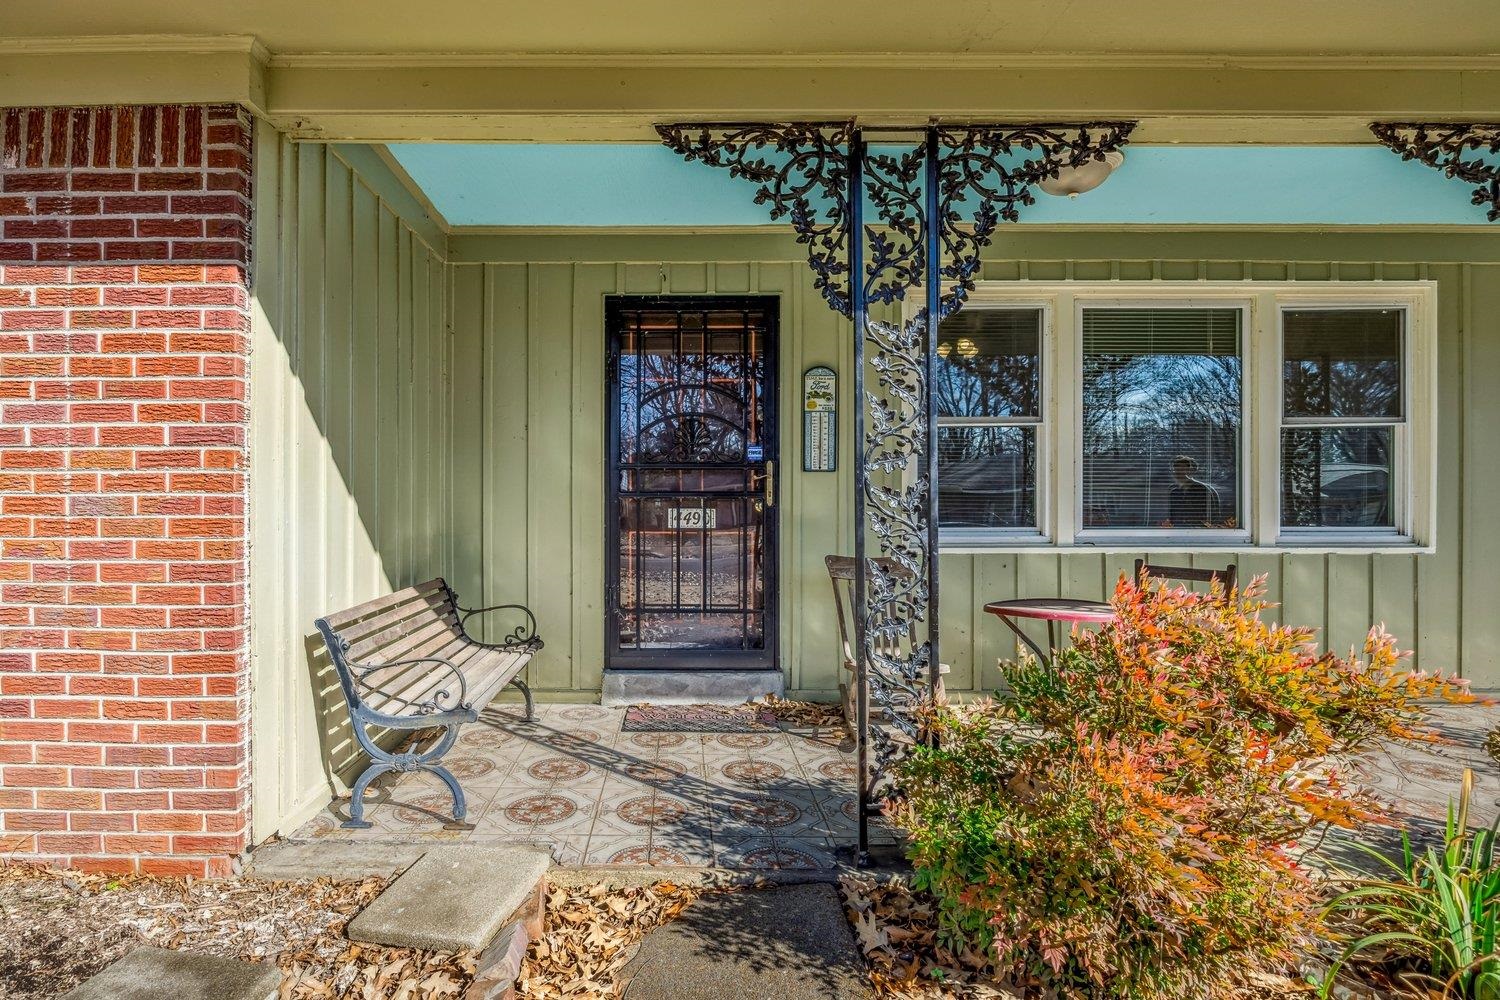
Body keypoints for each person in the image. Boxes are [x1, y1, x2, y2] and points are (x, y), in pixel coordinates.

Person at [1167, 455, 1222, 527]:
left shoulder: (1204, 490)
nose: (1178, 472)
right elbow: (1173, 517)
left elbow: (1213, 517)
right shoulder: (1174, 493)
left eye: (1183, 469)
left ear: (1191, 471)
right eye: (1176, 468)